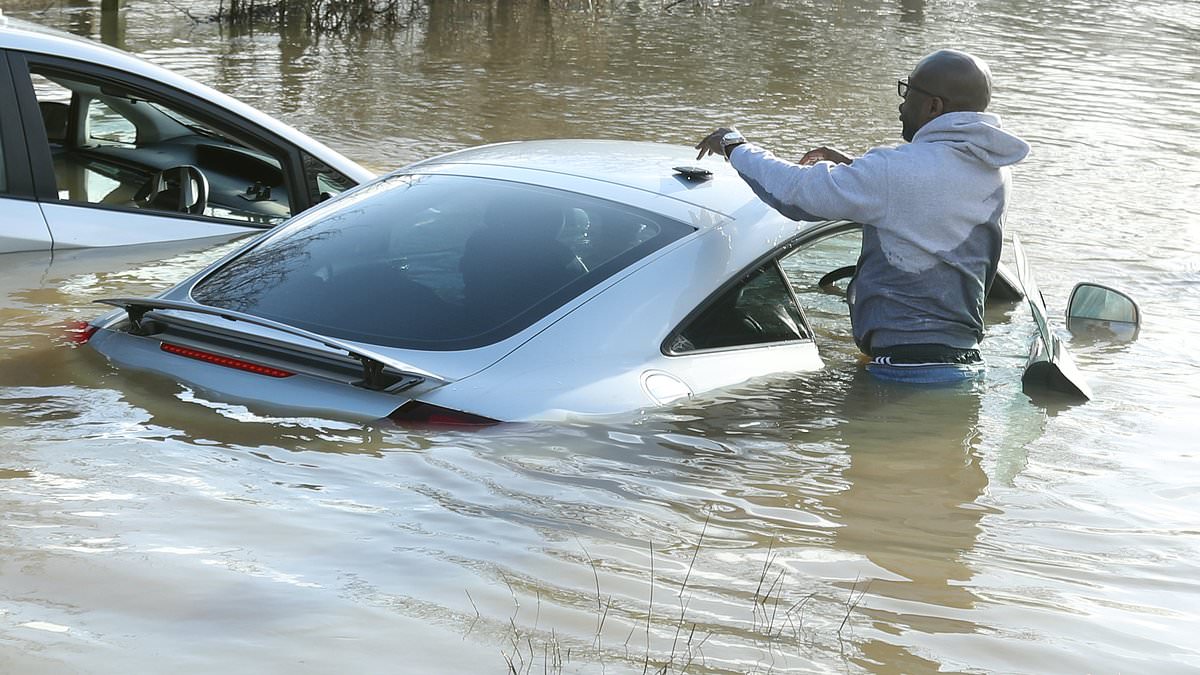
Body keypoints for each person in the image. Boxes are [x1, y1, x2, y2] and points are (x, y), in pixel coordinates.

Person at [696, 49, 1030, 382]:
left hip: (901, 371)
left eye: (908, 90)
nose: (901, 104)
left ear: (933, 106)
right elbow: (925, 195)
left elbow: (796, 193)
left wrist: (736, 146)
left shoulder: (894, 171)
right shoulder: (994, 172)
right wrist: (857, 170)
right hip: (964, 364)